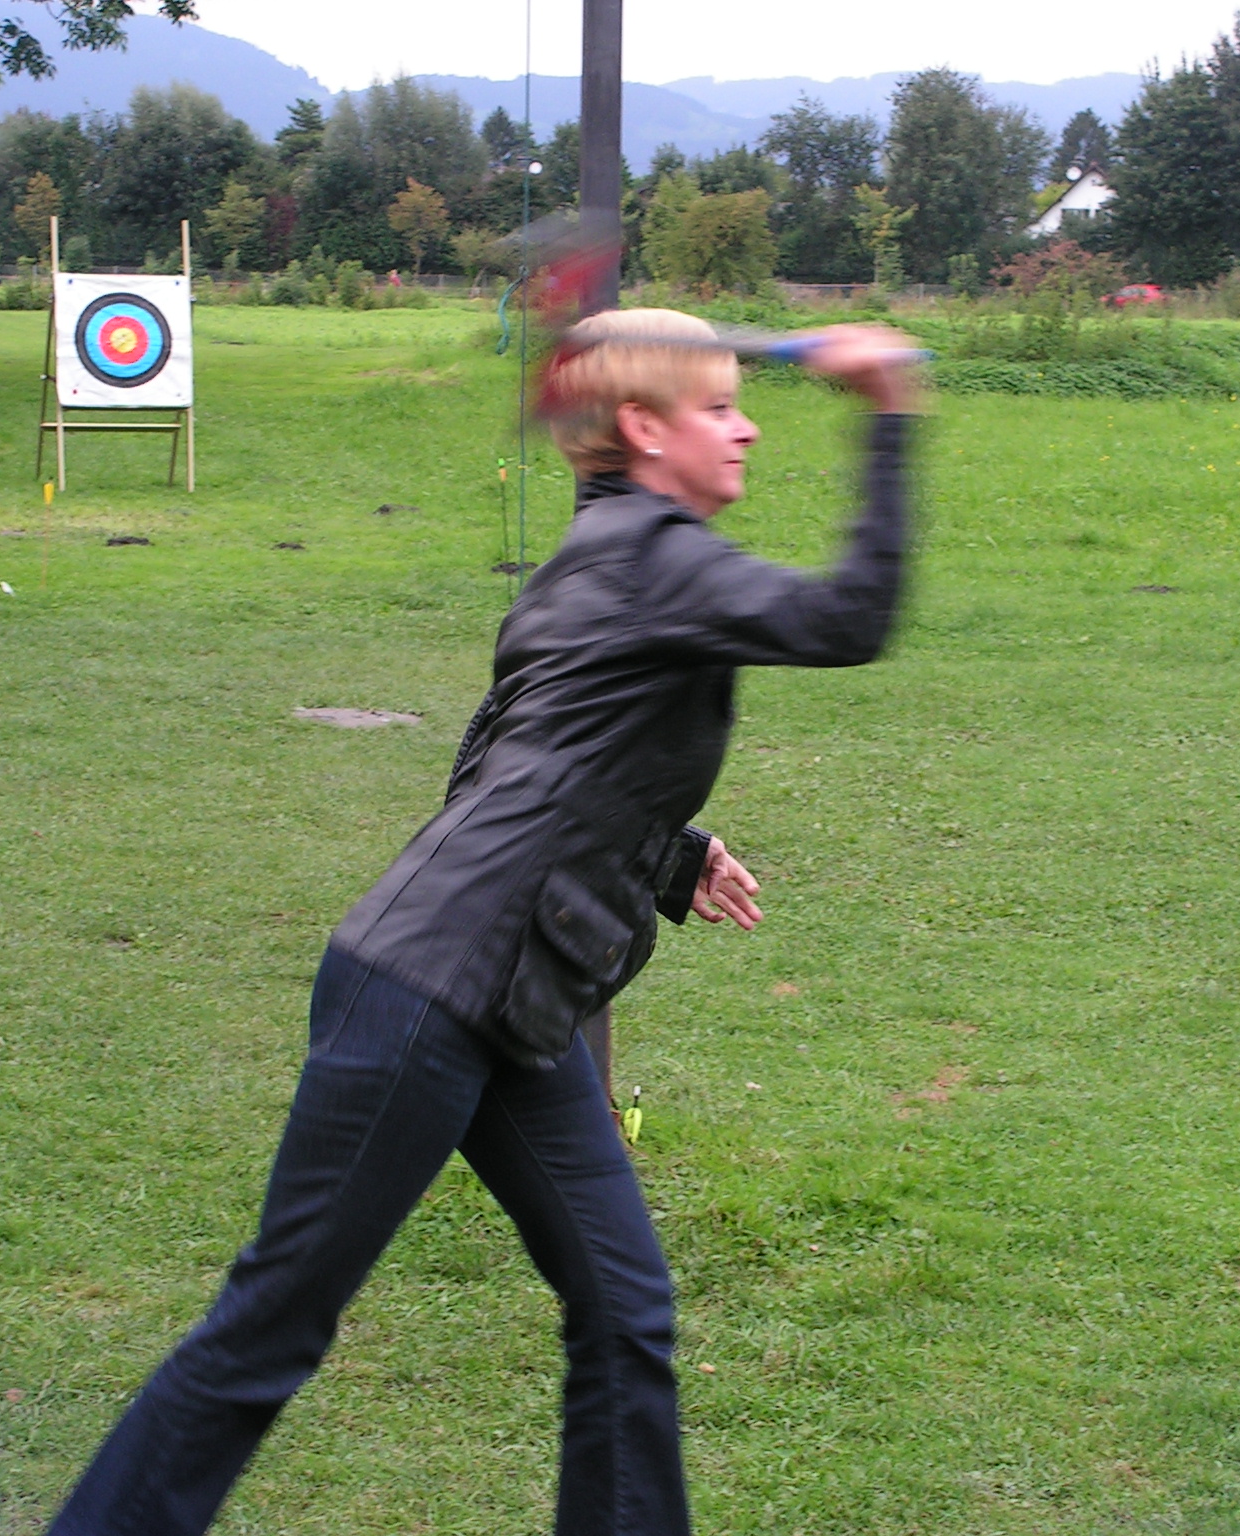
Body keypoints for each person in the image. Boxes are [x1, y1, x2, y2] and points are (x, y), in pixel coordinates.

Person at [47, 306, 917, 1536]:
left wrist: (667, 852)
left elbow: (511, 766)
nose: (747, 430)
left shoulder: (602, 553)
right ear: (640, 427)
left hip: (512, 997)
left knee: (623, 1306)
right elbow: (849, 621)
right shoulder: (654, 560)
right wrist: (888, 413)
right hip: (429, 996)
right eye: (719, 408)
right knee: (272, 1325)